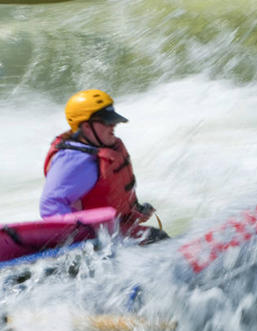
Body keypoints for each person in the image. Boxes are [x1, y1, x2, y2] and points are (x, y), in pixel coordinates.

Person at [41, 89, 167, 241]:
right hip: (90, 241)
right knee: (156, 238)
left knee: (156, 237)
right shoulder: (73, 160)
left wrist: (136, 211)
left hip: (111, 233)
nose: (113, 125)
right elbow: (50, 206)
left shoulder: (100, 152)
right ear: (86, 126)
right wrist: (86, 238)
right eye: (107, 121)